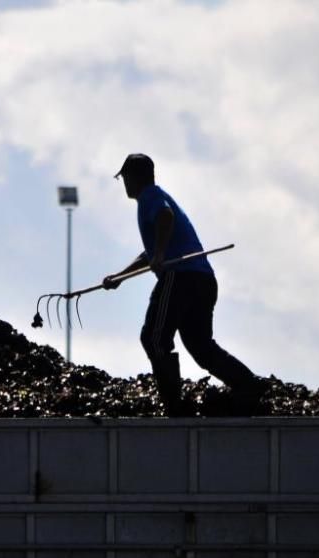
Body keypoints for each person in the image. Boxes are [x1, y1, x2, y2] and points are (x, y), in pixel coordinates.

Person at [103, 153, 261, 415]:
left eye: (125, 177)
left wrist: (162, 254)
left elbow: (165, 217)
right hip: (203, 280)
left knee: (154, 337)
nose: (124, 184)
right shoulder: (153, 198)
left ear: (136, 176)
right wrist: (121, 276)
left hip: (181, 277)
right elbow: (150, 254)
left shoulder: (150, 197)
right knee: (200, 345)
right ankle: (248, 386)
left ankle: (175, 407)